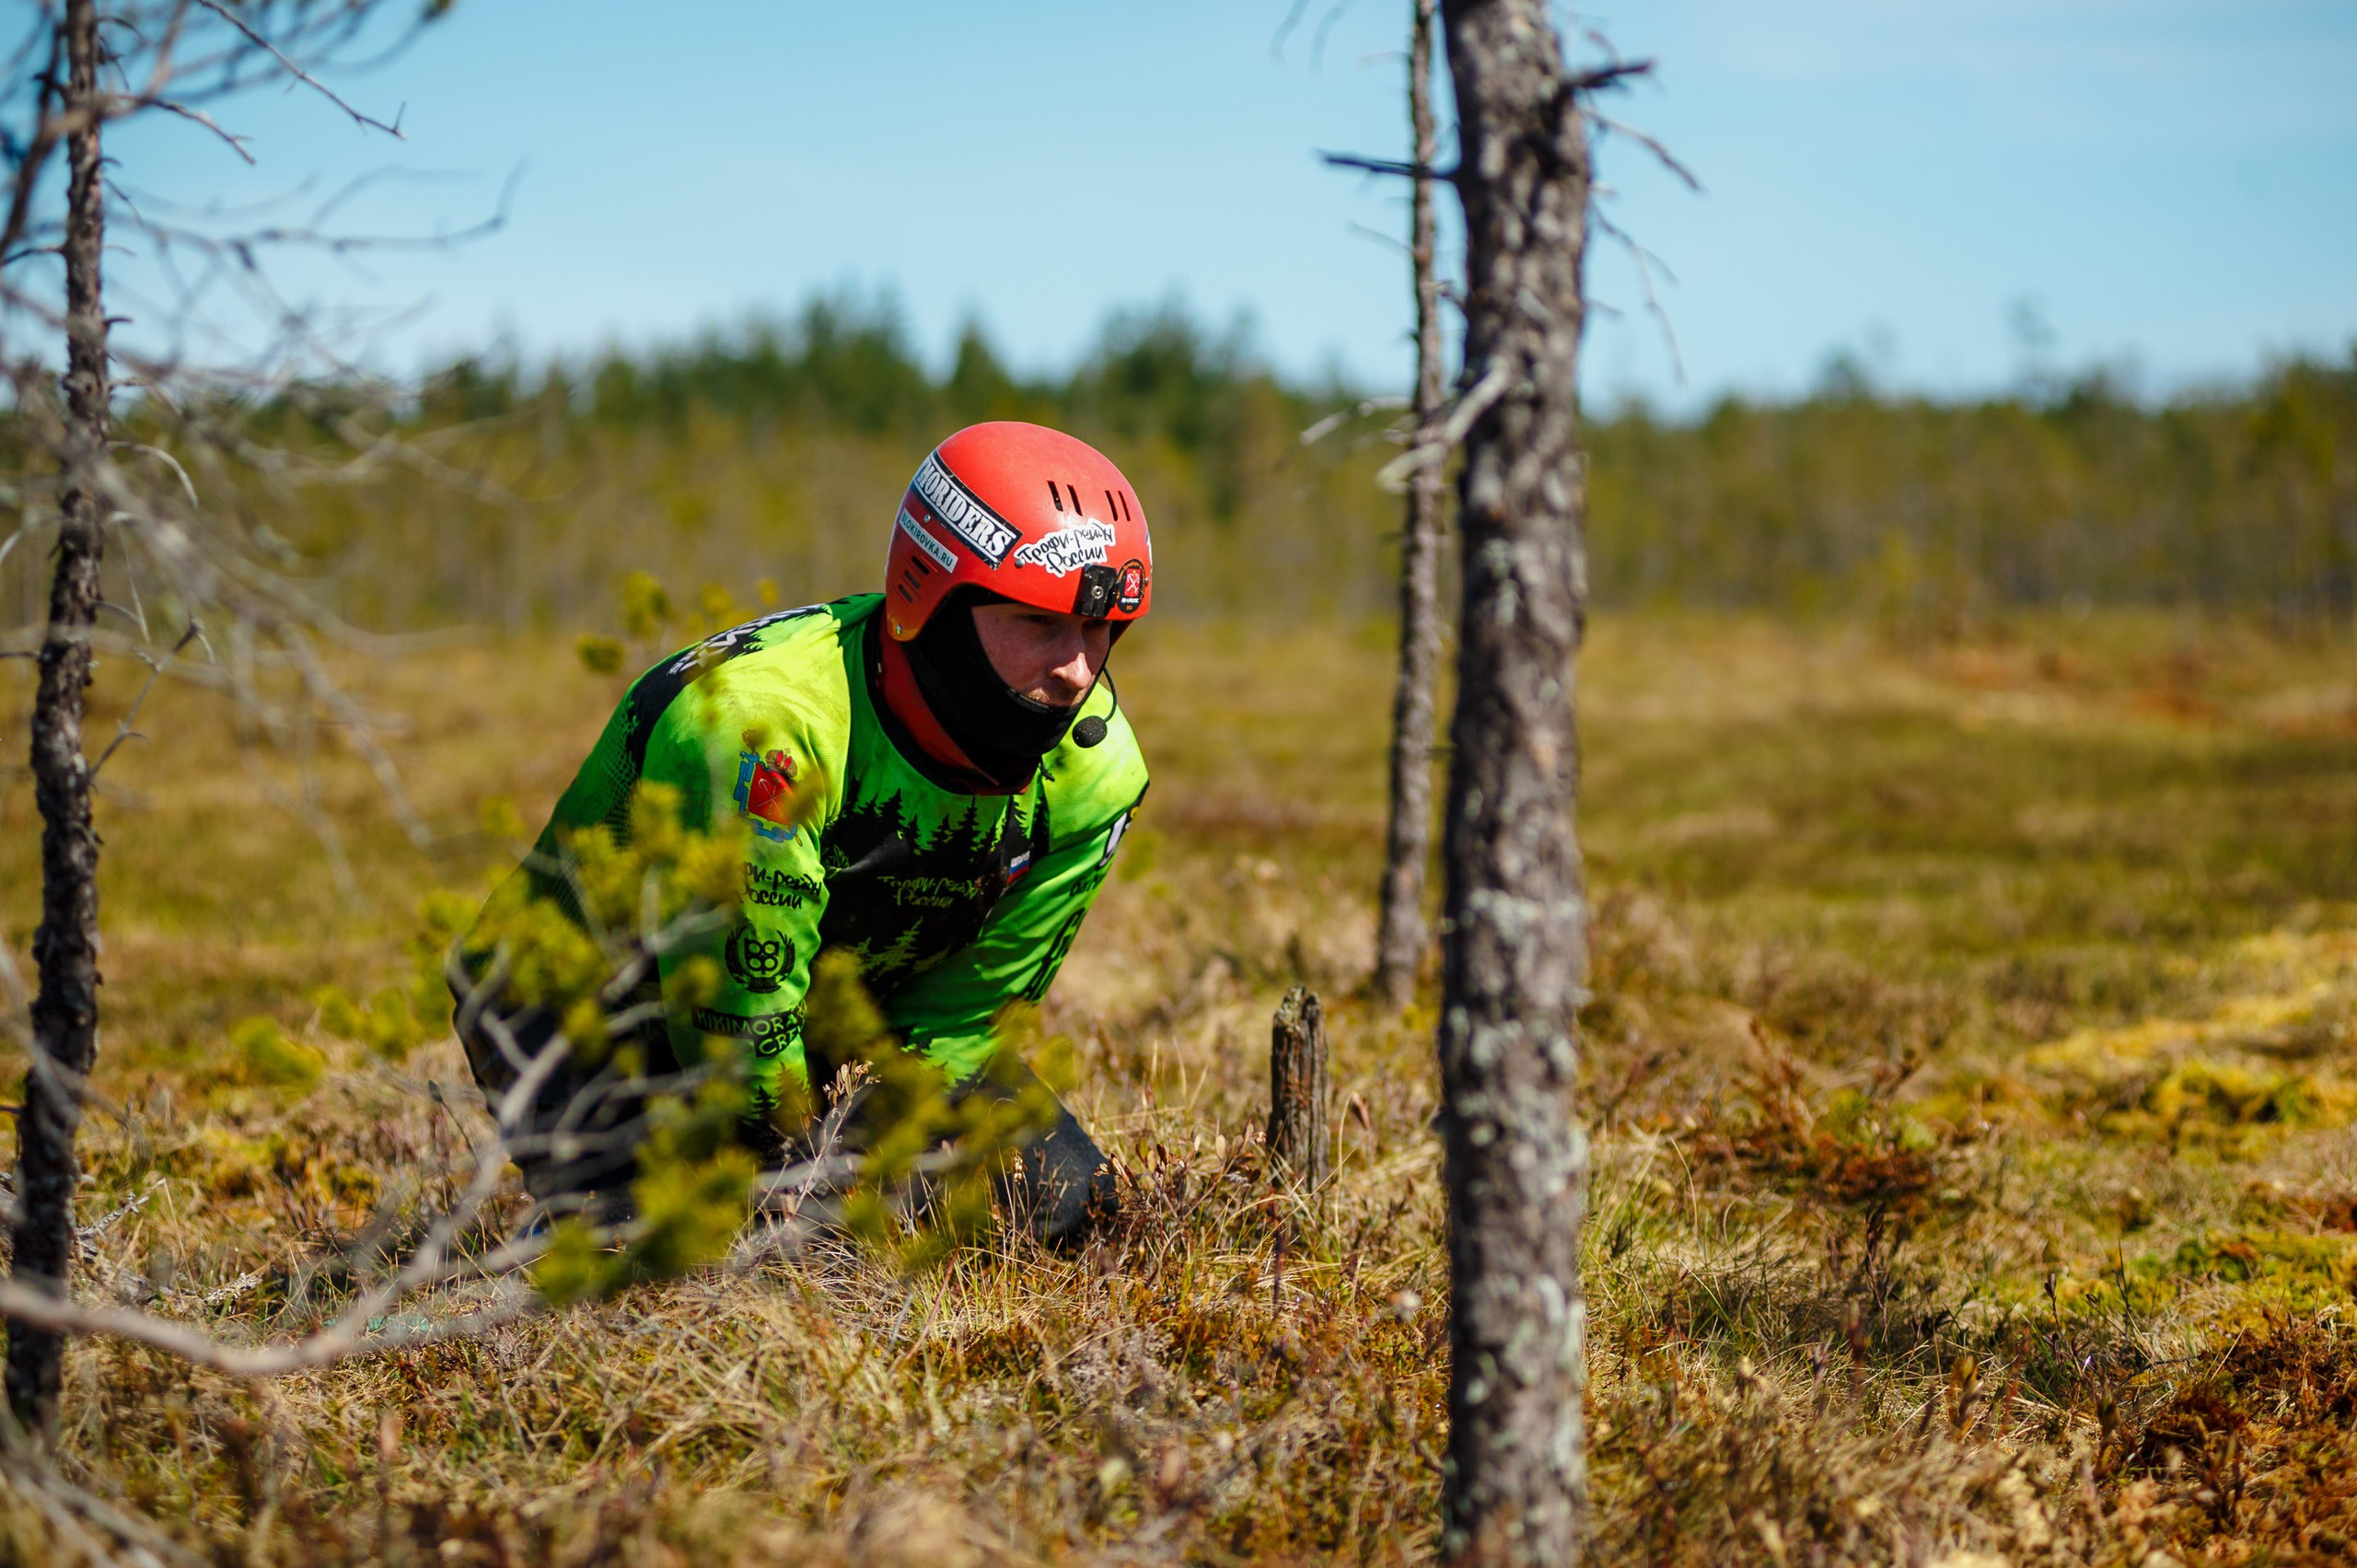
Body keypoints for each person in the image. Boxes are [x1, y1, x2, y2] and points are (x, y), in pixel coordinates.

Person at [454, 422, 1153, 1246]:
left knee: (1079, 1218)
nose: (1079, 669)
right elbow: (739, 1033)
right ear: (932, 597)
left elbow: (961, 1025)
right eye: (1042, 624)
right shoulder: (761, 729)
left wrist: (879, 1161)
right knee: (694, 1274)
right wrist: (798, 1180)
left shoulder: (1093, 777)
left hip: (823, 1012)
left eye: (1102, 630)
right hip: (582, 1000)